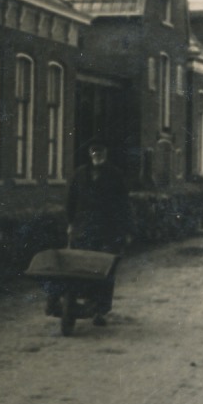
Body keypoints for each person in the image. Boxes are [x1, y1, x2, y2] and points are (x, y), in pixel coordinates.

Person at [64, 139, 130, 325]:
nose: (97, 154)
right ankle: (83, 302)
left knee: (104, 270)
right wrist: (70, 223)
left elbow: (123, 204)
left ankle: (100, 311)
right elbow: (71, 199)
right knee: (82, 268)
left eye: (100, 151)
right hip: (83, 229)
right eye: (94, 151)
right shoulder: (79, 174)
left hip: (107, 231)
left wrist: (125, 230)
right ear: (90, 153)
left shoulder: (115, 175)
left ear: (106, 153)